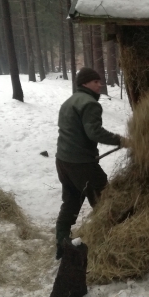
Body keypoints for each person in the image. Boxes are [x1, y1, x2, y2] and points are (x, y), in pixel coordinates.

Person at [55, 67, 129, 260]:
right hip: (81, 164)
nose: (100, 85)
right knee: (105, 199)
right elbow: (94, 132)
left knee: (71, 201)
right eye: (96, 82)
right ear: (85, 83)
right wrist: (121, 140)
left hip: (63, 161)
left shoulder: (69, 101)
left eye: (100, 81)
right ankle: (111, 243)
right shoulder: (90, 104)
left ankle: (61, 243)